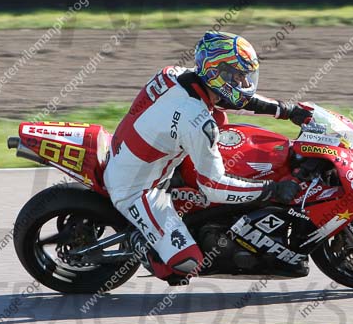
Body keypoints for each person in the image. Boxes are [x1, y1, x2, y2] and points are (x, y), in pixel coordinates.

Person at [103, 31, 313, 284]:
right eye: (238, 75)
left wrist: (285, 110)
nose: (244, 81)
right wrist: (271, 190)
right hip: (137, 187)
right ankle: (143, 242)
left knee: (221, 120)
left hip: (136, 149)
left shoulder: (175, 74)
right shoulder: (198, 121)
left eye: (245, 75)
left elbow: (233, 99)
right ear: (217, 73)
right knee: (187, 263)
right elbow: (213, 187)